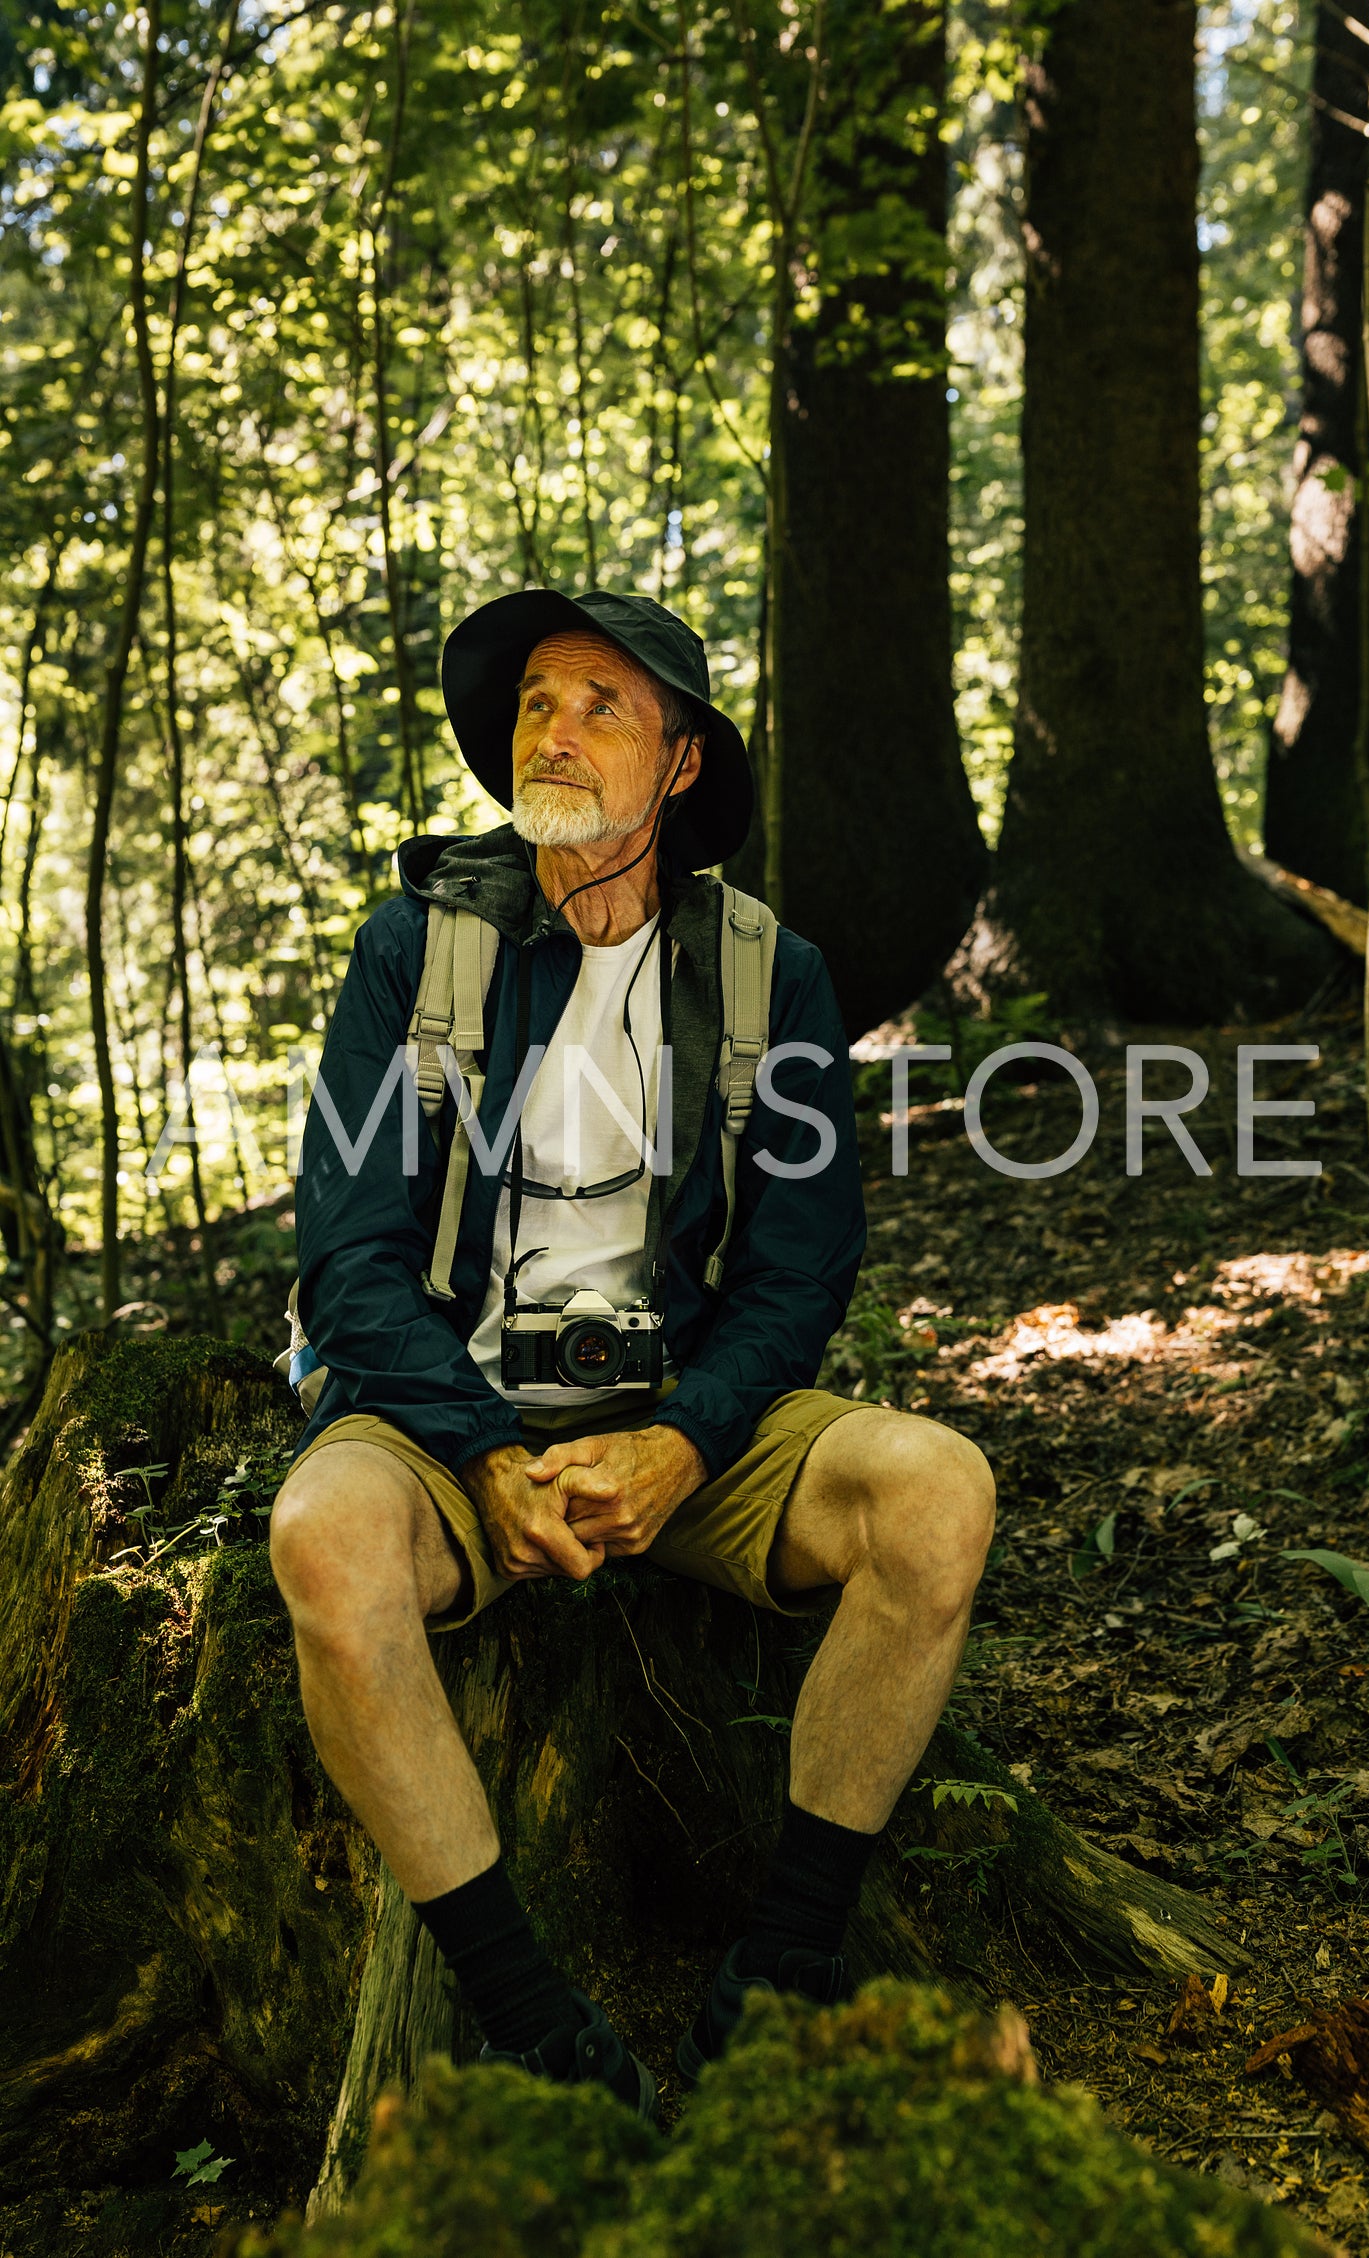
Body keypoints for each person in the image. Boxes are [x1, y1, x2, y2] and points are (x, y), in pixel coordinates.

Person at [269, 588, 996, 2123]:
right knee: (323, 1538)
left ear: (678, 766)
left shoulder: (762, 973)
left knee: (934, 1491)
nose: (557, 725)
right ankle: (533, 2020)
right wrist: (477, 1447)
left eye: (604, 703)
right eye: (538, 698)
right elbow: (347, 1255)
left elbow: (800, 1271)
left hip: (677, 1422)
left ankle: (781, 1974)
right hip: (451, 1422)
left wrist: (686, 1442)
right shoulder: (419, 950)